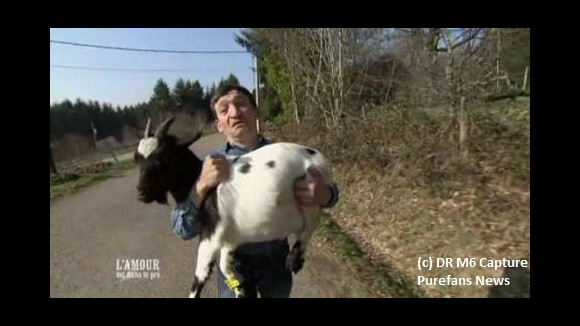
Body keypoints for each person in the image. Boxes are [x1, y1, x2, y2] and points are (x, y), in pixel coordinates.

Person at [170, 85, 339, 298]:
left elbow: (332, 195)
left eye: (241, 104)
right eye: (224, 110)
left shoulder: (287, 159)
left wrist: (323, 194)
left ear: (256, 111)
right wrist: (200, 187)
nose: (234, 112)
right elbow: (182, 228)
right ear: (219, 125)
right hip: (233, 272)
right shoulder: (206, 168)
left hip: (276, 265)